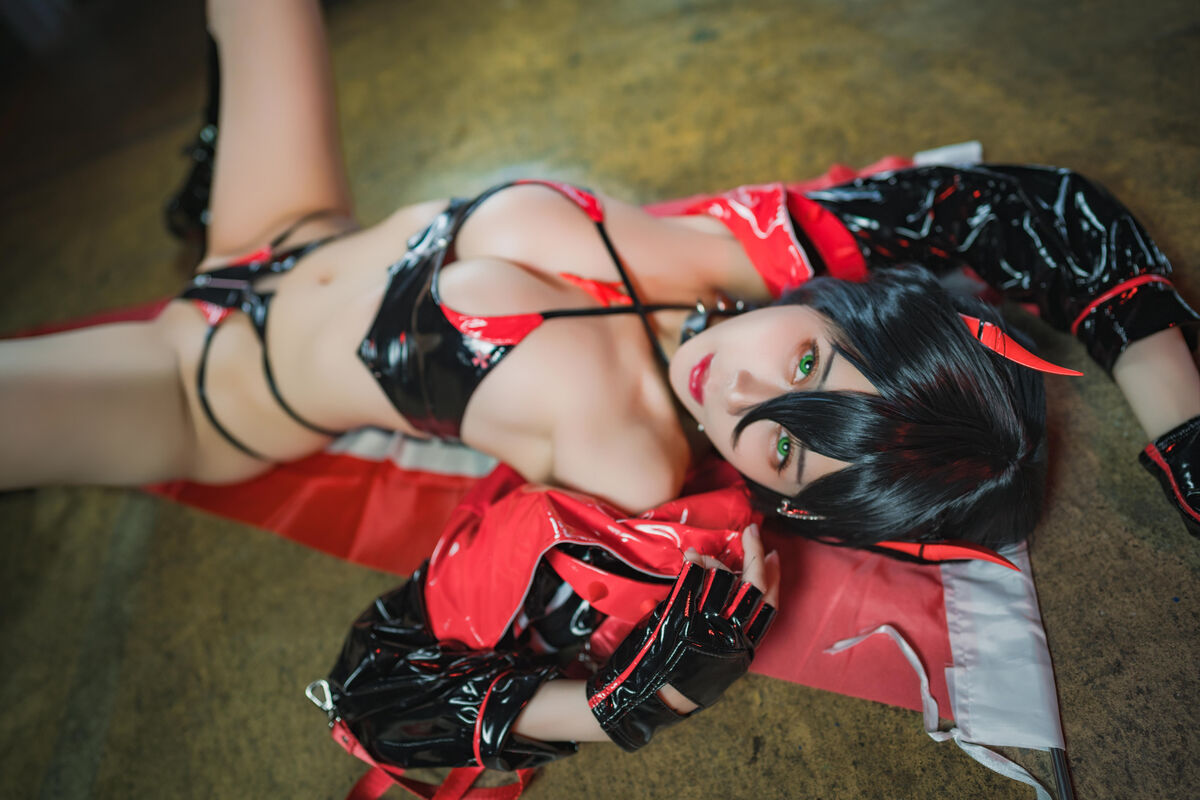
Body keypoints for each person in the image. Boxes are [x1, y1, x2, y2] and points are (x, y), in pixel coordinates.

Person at [2, 0, 1199, 779]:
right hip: (292, 227)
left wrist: (626, 702)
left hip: (197, 389)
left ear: (792, 500)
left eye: (781, 446)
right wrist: (1187, 423)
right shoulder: (762, 253)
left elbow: (381, 679)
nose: (740, 387)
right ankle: (210, 167)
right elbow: (1042, 214)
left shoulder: (627, 468)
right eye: (806, 363)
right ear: (852, 307)